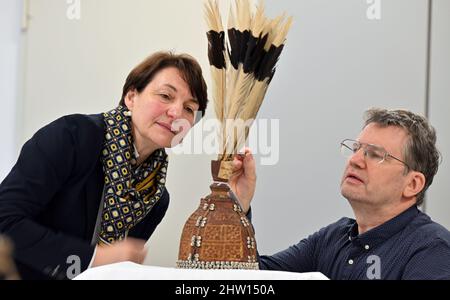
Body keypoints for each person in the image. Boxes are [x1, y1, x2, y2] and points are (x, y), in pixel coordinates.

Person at [0, 51, 216, 279]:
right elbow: (5, 220)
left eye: (189, 109)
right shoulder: (71, 136)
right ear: (131, 97)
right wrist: (94, 258)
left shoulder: (156, 198)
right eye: (165, 96)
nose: (176, 113)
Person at [234, 108, 450, 279]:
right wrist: (236, 207)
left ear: (412, 184)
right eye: (356, 149)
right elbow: (250, 277)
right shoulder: (333, 237)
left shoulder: (432, 250)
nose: (354, 160)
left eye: (375, 155)